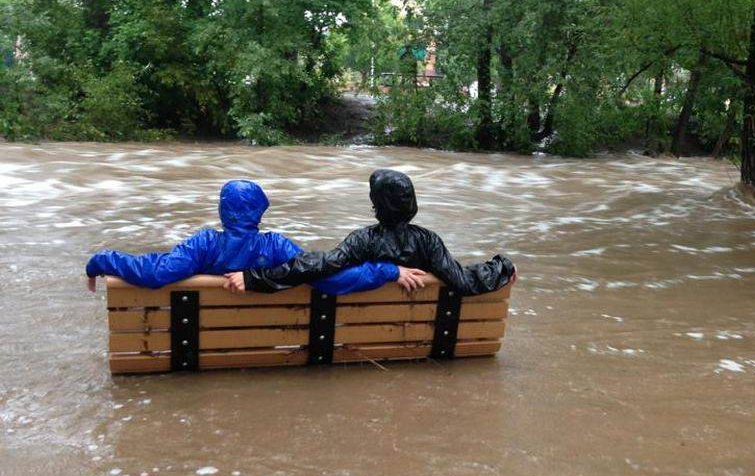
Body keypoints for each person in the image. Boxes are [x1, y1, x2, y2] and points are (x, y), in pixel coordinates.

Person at [86, 179, 428, 293]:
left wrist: (101, 261)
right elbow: (331, 278)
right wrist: (389, 270)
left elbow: (155, 273)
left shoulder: (204, 244)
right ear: (260, 213)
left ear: (222, 210)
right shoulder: (275, 246)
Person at [224, 169, 515, 296]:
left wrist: (254, 278)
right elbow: (462, 281)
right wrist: (502, 267)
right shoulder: (428, 241)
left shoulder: (364, 240)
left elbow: (319, 268)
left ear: (377, 204)